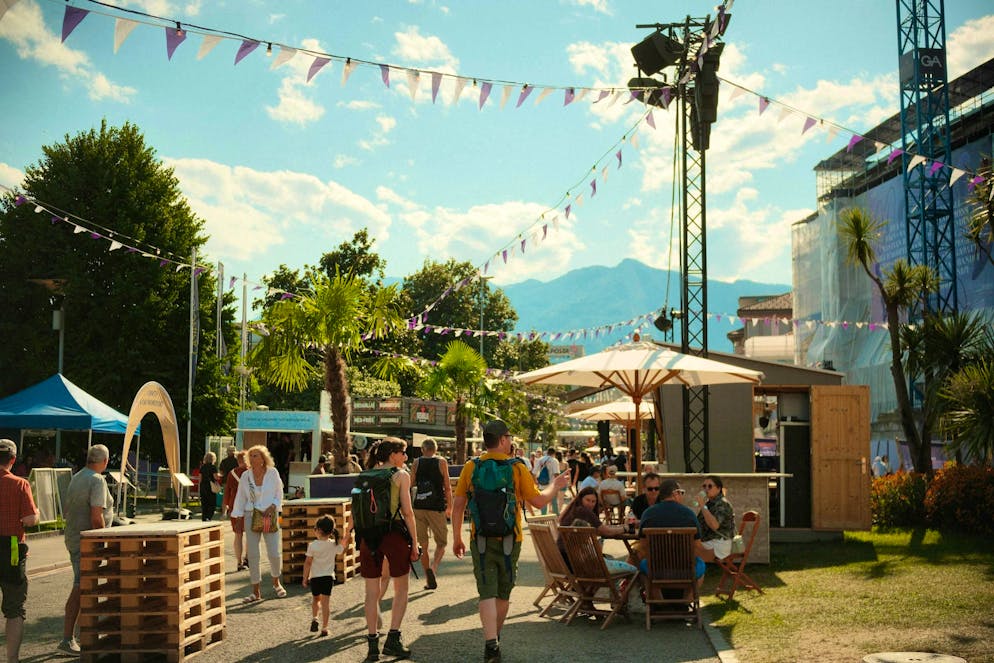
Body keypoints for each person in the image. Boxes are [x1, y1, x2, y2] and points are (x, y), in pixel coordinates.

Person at [452, 420, 571, 663]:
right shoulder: (517, 468)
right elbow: (538, 502)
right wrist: (555, 485)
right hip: (510, 538)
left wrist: (456, 537)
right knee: (503, 593)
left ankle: (490, 642)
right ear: (503, 440)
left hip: (480, 538)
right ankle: (495, 638)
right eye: (508, 436)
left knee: (486, 591)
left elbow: (458, 506)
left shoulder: (471, 466)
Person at [347, 437, 419, 662]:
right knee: (401, 589)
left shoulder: (365, 475)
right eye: (403, 453)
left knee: (370, 592)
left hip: (368, 537)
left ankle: (372, 645)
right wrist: (415, 542)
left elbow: (354, 510)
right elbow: (407, 512)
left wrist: (345, 535)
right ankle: (393, 639)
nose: (405, 457)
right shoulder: (401, 475)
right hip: (394, 535)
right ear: (392, 455)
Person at [60, 444, 113, 655]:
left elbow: (67, 510)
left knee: (84, 587)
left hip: (74, 538)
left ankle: (83, 636)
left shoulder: (78, 476)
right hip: (87, 542)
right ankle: (67, 638)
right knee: (80, 587)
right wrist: (102, 542)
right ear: (105, 462)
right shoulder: (96, 480)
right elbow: (96, 515)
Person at [231, 444, 286, 603]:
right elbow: (241, 497)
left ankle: (276, 582)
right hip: (250, 515)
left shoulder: (272, 473)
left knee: (274, 552)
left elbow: (279, 491)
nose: (252, 458)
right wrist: (238, 516)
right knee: (253, 555)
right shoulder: (245, 476)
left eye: (256, 455)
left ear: (263, 458)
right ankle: (256, 591)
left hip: (270, 514)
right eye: (251, 455)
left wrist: (274, 506)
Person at [1, 439, 40, 663]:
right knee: (14, 608)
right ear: (13, 460)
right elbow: (29, 519)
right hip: (11, 549)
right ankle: (12, 659)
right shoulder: (20, 484)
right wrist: (37, 512)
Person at [638, 479, 707, 586]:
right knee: (701, 564)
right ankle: (688, 598)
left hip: (657, 570)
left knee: (642, 565)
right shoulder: (689, 514)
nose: (682, 496)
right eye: (681, 493)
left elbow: (642, 546)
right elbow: (697, 546)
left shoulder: (648, 513)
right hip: (685, 570)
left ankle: (657, 598)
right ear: (675, 493)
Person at [556, 486, 637, 575]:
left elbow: (602, 528)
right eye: (587, 500)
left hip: (562, 560)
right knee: (632, 569)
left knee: (607, 558)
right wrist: (626, 528)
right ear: (580, 499)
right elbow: (606, 531)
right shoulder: (584, 511)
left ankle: (591, 588)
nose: (590, 504)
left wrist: (620, 527)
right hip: (577, 564)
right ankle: (619, 587)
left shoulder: (572, 510)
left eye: (593, 501)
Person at [410, 438, 452, 591]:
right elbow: (447, 486)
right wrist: (450, 507)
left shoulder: (416, 463)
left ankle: (429, 579)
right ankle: (433, 568)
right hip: (436, 506)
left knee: (423, 545)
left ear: (422, 450)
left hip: (419, 507)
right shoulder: (441, 462)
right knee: (441, 543)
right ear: (436, 449)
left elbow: (411, 484)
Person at [302, 515, 343, 637]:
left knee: (315, 600)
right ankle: (325, 628)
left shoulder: (312, 545)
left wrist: (305, 578)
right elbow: (342, 550)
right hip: (328, 578)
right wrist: (346, 539)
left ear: (318, 530)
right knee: (326, 603)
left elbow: (308, 563)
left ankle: (315, 617)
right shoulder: (333, 545)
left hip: (315, 578)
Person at [695, 475, 735, 562]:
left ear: (718, 488)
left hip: (718, 544)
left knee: (687, 548)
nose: (706, 489)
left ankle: (695, 574)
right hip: (709, 541)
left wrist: (702, 506)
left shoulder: (722, 504)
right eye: (704, 486)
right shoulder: (710, 503)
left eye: (710, 486)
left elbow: (714, 525)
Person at [223, 451, 249, 570]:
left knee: (238, 535)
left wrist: (225, 507)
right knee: (250, 535)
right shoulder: (251, 472)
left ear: (238, 461)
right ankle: (247, 558)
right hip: (249, 506)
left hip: (235, 507)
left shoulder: (231, 473)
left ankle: (239, 562)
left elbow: (227, 491)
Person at [532, 447, 560, 515]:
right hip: (552, 485)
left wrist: (535, 481)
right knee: (554, 502)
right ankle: (556, 518)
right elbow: (556, 474)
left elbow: (534, 473)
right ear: (554, 453)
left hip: (542, 485)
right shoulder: (554, 460)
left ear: (547, 452)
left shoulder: (540, 460)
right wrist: (558, 486)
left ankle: (543, 518)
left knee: (543, 502)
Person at [199, 451, 220, 522]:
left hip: (203, 486)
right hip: (210, 486)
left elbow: (200, 479)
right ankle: (208, 517)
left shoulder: (202, 467)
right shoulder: (213, 467)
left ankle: (204, 517)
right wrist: (219, 476)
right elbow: (216, 477)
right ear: (213, 459)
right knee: (212, 503)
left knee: (204, 503)